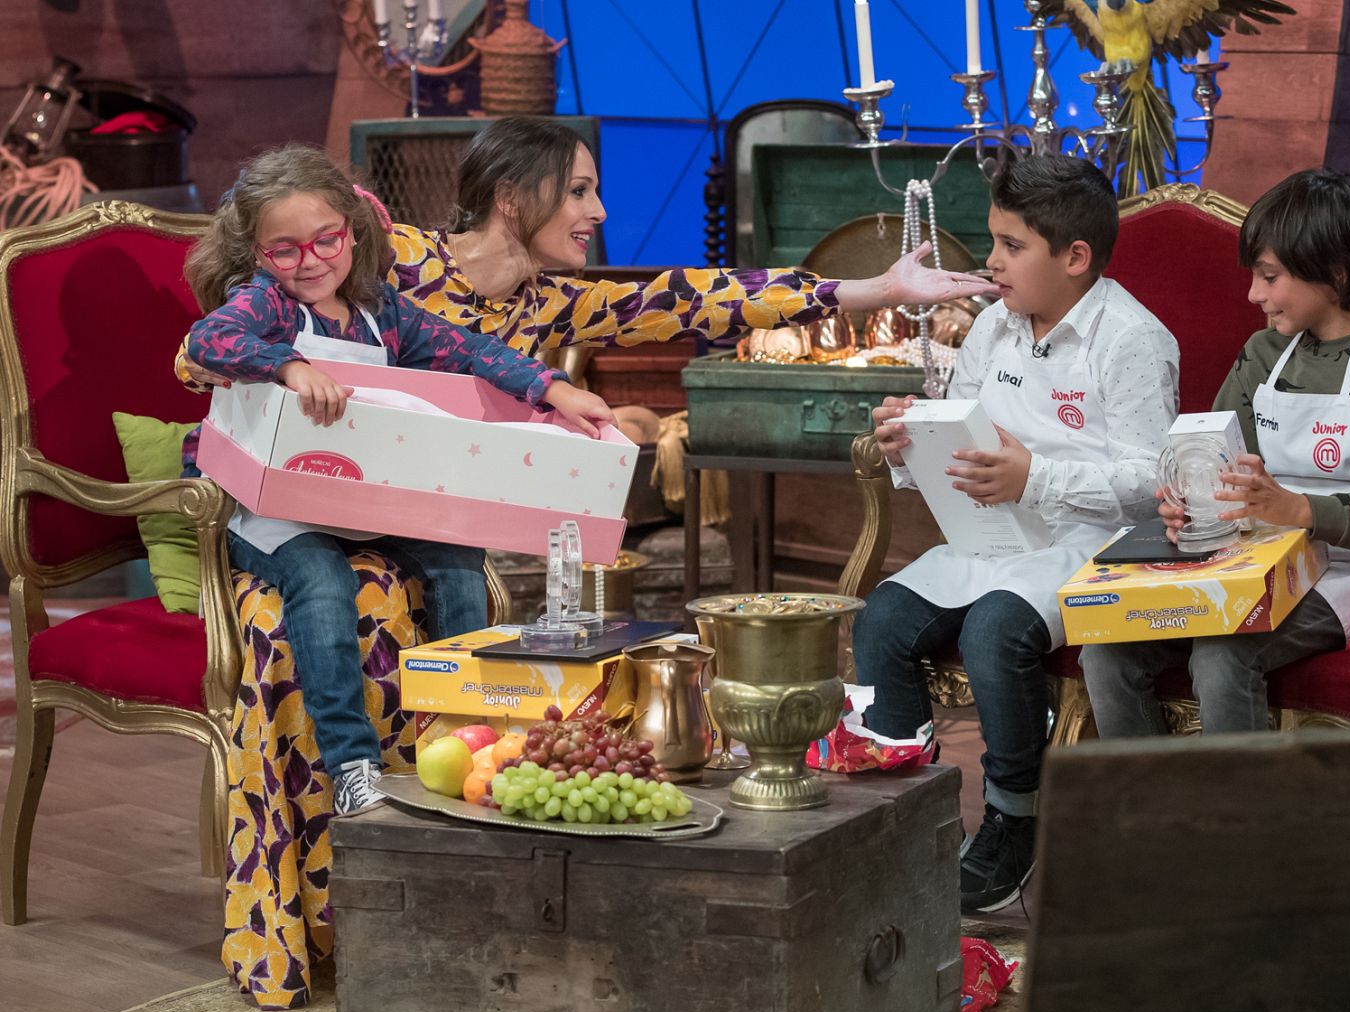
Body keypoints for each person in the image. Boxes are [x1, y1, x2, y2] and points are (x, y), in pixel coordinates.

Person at [181, 144, 615, 816]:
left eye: (327, 239)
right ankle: (352, 762)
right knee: (320, 579)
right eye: (285, 250)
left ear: (353, 231)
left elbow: (467, 350)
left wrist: (552, 388)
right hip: (277, 506)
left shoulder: (380, 310)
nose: (311, 261)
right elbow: (210, 341)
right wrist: (288, 367)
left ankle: (459, 730)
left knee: (457, 557)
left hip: (364, 494)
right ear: (258, 255)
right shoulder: (264, 303)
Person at [853, 155, 1180, 914]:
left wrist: (1037, 476)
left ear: (1074, 259)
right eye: (993, 240)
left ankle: (1013, 816)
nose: (991, 262)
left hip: (1091, 544)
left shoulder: (1132, 339)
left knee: (997, 630)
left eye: (1010, 245)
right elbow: (959, 442)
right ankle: (901, 804)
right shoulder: (993, 328)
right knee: (885, 619)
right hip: (991, 536)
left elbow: (1150, 479)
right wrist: (911, 443)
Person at [181, 117, 995, 389]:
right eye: (577, 191)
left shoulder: (558, 304)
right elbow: (255, 291)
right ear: (511, 198)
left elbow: (704, 297)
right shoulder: (397, 256)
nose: (597, 211)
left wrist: (878, 286)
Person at [1079, 167, 1350, 736]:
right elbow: (1208, 454)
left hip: (1347, 571)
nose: (1254, 294)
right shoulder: (1262, 354)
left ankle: (1244, 825)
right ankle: (1148, 818)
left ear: (1333, 271)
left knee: (1223, 655)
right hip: (1246, 557)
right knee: (1106, 650)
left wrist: (1299, 509)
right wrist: (1186, 503)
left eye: (1269, 276)